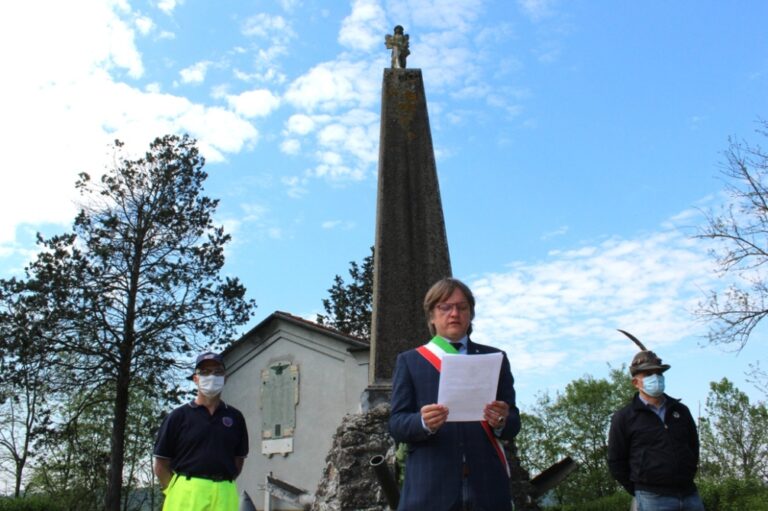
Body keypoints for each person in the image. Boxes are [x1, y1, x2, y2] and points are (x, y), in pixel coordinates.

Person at [389, 277, 521, 511]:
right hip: (429, 489)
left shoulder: (495, 358)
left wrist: (501, 420)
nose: (454, 313)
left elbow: (513, 423)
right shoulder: (410, 361)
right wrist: (422, 422)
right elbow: (396, 424)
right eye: (445, 307)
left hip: (488, 487)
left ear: (470, 314)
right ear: (431, 315)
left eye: (462, 307)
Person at [607, 341, 705, 511]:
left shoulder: (681, 411)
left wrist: (687, 474)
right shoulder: (624, 417)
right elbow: (616, 461)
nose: (656, 378)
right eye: (648, 374)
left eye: (659, 373)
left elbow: (693, 447)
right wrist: (639, 489)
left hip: (690, 494)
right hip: (652, 498)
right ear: (636, 383)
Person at [153, 352, 249, 511]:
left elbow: (238, 461)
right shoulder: (178, 417)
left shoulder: (235, 418)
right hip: (186, 495)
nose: (211, 377)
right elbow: (161, 464)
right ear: (195, 379)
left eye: (218, 372)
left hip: (225, 496)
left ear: (225, 378)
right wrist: (176, 490)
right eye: (204, 372)